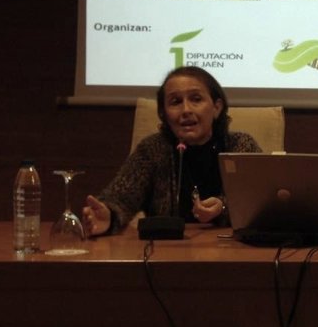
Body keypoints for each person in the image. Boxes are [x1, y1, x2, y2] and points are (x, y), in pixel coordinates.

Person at [83, 66, 262, 236]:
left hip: (233, 250)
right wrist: (108, 215)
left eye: (196, 99)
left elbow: (260, 205)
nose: (186, 110)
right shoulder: (153, 150)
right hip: (166, 250)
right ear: (163, 114)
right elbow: (120, 199)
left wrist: (222, 207)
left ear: (216, 107)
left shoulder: (240, 146)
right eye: (175, 102)